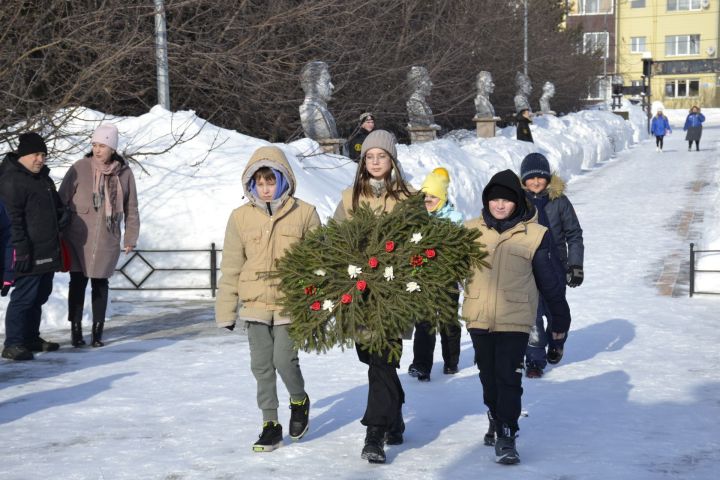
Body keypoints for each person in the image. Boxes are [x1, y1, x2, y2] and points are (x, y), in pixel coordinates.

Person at [215, 145, 320, 453]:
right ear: (251, 184)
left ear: (283, 179)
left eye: (270, 181)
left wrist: (314, 302)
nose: (265, 189)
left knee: (283, 360)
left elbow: (319, 263)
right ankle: (270, 425)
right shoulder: (240, 218)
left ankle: (299, 399)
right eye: (259, 183)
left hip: (291, 301)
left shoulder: (305, 213)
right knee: (261, 365)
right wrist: (225, 311)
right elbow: (232, 265)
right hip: (255, 303)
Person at [462, 169, 570, 465]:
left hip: (516, 317)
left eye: (506, 200)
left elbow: (550, 282)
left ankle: (507, 432)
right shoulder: (469, 230)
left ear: (517, 203)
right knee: (487, 375)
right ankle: (495, 416)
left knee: (508, 376)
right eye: (494, 199)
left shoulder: (535, 235)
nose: (499, 205)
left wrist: (560, 322)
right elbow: (449, 271)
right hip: (479, 316)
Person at [334, 129, 413, 464]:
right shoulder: (350, 198)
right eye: (370, 156)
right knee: (372, 359)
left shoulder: (408, 198)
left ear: (392, 159)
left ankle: (375, 434)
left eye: (382, 156)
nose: (376, 161)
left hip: (393, 295)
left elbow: (420, 245)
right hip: (359, 293)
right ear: (363, 162)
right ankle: (393, 416)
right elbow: (333, 241)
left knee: (381, 361)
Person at [58, 124, 139, 348]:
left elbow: (131, 207)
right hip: (77, 237)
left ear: (112, 147)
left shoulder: (124, 173)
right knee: (77, 282)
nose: (97, 149)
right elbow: (61, 199)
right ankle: (75, 330)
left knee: (100, 283)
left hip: (107, 236)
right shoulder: (80, 167)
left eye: (102, 145)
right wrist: (59, 230)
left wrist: (130, 237)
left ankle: (97, 332)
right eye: (94, 145)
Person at [0, 132, 67, 361]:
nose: (40, 159)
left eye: (43, 155)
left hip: (47, 248)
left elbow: (54, 206)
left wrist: (62, 215)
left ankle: (30, 337)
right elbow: (12, 219)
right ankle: (13, 343)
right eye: (35, 154)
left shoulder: (43, 179)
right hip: (27, 250)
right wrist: (20, 249)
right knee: (24, 297)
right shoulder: (11, 180)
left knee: (40, 295)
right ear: (23, 154)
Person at [520, 153, 583, 378]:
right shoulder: (518, 203)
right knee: (532, 316)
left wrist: (575, 265)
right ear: (523, 180)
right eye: (531, 178)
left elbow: (574, 234)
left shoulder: (559, 202)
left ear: (548, 178)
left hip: (555, 267)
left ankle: (557, 341)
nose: (536, 182)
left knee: (556, 313)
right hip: (528, 269)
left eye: (540, 177)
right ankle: (535, 360)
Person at [407, 167, 463, 382]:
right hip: (423, 278)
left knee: (448, 320)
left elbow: (460, 248)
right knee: (424, 321)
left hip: (448, 276)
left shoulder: (454, 218)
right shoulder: (418, 219)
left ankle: (451, 361)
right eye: (426, 196)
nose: (428, 200)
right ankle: (422, 365)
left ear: (442, 197)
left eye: (433, 196)